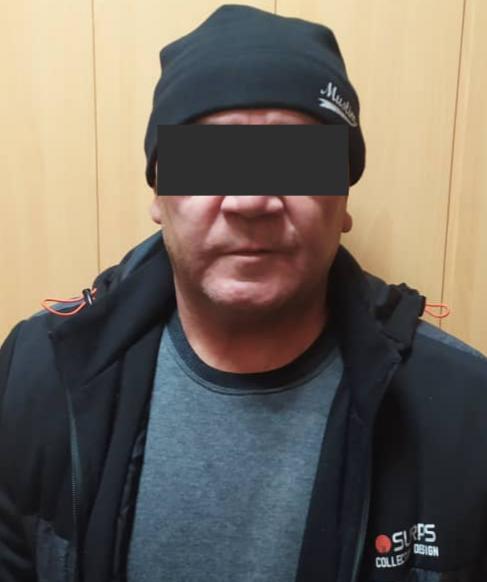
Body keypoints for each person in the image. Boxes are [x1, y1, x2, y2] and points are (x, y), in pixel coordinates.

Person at [1, 4, 487, 582]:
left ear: (343, 202)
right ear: (158, 195)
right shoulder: (36, 377)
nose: (252, 201)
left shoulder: (465, 411)